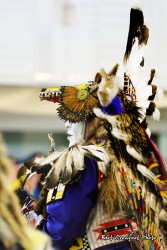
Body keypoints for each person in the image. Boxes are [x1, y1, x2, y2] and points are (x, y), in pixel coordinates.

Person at [20, 8, 167, 250]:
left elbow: (61, 230)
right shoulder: (125, 159)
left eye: (74, 117)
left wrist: (33, 233)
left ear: (92, 121)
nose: (68, 124)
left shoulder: (85, 159)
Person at [0, 134, 53, 250]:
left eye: (40, 177)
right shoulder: (22, 196)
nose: (38, 180)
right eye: (36, 177)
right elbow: (31, 224)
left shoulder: (27, 194)